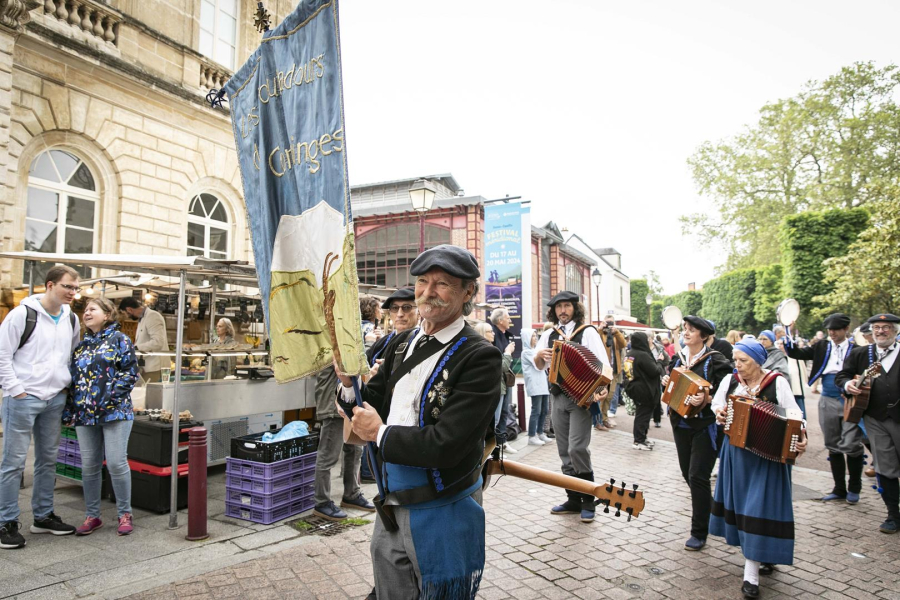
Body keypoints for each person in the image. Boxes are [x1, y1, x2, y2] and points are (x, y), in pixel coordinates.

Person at [336, 244, 499, 599]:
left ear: (468, 291)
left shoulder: (480, 356)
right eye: (423, 281)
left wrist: (378, 433)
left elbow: (447, 444)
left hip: (444, 509)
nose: (428, 291)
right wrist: (350, 387)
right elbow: (372, 400)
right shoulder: (402, 343)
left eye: (442, 284)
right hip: (391, 504)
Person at [710, 339, 808, 599]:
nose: (738, 366)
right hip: (737, 454)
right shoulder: (730, 381)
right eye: (736, 360)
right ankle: (762, 554)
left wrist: (802, 433)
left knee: (759, 508)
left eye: (744, 361)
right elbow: (716, 404)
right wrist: (720, 412)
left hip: (768, 459)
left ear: (758, 361)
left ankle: (751, 575)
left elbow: (795, 414)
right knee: (745, 508)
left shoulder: (777, 382)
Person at [0, 265, 81, 548]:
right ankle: (5, 522)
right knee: (13, 463)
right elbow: (2, 354)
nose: (73, 292)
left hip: (54, 398)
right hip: (23, 399)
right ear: (49, 285)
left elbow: (71, 355)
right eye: (67, 286)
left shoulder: (71, 318)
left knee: (48, 460)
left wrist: (64, 389)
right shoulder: (22, 314)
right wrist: (17, 391)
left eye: (75, 288)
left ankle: (43, 516)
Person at [534, 291, 611, 523]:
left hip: (581, 398)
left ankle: (589, 500)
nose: (562, 311)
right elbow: (538, 365)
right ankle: (573, 499)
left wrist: (602, 388)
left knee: (577, 448)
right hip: (557, 397)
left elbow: (604, 366)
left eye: (566, 306)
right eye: (558, 308)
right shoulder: (549, 333)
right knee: (564, 450)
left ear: (575, 308)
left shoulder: (587, 332)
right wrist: (539, 354)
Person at [65, 297, 139, 536]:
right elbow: (73, 381)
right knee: (89, 466)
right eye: (85, 310)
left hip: (115, 412)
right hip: (85, 415)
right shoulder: (81, 345)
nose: (86, 313)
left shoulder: (120, 339)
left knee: (117, 463)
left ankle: (124, 513)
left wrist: (108, 399)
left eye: (92, 309)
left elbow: (130, 373)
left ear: (107, 315)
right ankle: (92, 515)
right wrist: (70, 409)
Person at [663, 316, 732, 551]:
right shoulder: (678, 358)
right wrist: (667, 382)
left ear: (704, 336)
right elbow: (674, 385)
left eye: (692, 330)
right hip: (680, 425)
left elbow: (730, 390)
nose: (686, 332)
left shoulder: (715, 361)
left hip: (705, 426)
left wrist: (707, 398)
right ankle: (714, 512)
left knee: (697, 476)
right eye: (685, 329)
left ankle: (699, 532)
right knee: (687, 474)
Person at [783, 313, 864, 503]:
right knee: (832, 443)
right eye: (829, 330)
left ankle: (855, 488)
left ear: (846, 330)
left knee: (852, 444)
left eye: (836, 329)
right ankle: (839, 488)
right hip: (827, 397)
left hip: (850, 399)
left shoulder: (857, 350)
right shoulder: (822, 346)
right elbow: (796, 353)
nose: (832, 333)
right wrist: (788, 331)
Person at [837, 313, 900, 534]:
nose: (881, 331)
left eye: (886, 327)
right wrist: (848, 385)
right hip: (875, 418)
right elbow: (842, 376)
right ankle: (893, 515)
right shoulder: (861, 353)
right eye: (877, 328)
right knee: (885, 467)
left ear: (895, 330)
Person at [624, 332, 663, 450]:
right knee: (643, 415)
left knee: (642, 414)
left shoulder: (630, 354)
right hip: (644, 389)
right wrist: (660, 361)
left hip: (634, 387)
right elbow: (655, 371)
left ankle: (642, 438)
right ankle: (639, 440)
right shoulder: (643, 355)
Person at [119, 297, 169, 383]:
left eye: (125, 314)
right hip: (147, 367)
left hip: (155, 367)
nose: (127, 317)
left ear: (129, 309)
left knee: (151, 395)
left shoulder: (152, 316)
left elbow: (158, 342)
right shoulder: (142, 319)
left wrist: (135, 348)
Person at [489, 308, 518, 453]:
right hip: (497, 381)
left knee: (505, 411)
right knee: (496, 415)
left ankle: (502, 442)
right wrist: (508, 352)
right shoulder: (493, 336)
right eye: (508, 318)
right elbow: (498, 362)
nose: (510, 320)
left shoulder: (505, 335)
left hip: (507, 379)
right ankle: (493, 446)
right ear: (500, 321)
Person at [522, 328, 551, 446]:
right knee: (536, 410)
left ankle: (540, 433)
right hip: (535, 385)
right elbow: (537, 363)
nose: (535, 338)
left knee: (545, 410)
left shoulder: (535, 350)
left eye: (535, 336)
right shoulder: (526, 352)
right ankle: (532, 436)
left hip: (543, 384)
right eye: (532, 336)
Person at [597, 316, 626, 430]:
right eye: (607, 322)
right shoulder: (601, 334)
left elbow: (623, 344)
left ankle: (604, 419)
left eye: (611, 323)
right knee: (601, 396)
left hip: (614, 371)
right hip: (603, 370)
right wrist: (600, 328)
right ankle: (598, 421)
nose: (609, 325)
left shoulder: (615, 335)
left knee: (610, 395)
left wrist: (617, 332)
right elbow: (596, 341)